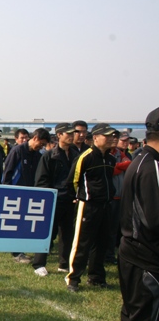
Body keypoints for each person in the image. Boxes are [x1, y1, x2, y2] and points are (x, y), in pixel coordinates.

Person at [106, 107, 159, 321]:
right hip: (147, 258)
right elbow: (154, 220)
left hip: (133, 252)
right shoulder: (152, 166)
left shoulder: (140, 160)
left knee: (131, 319)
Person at [65, 123, 118, 293]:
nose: (111, 138)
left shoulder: (111, 159)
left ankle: (96, 277)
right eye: (107, 135)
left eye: (112, 136)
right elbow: (73, 181)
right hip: (88, 205)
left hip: (105, 205)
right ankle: (73, 279)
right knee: (82, 243)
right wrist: (82, 197)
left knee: (102, 243)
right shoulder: (85, 157)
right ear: (95, 137)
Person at [32, 123, 80, 276]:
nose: (71, 136)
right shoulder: (49, 155)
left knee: (67, 234)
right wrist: (48, 197)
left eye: (73, 133)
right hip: (53, 200)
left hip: (70, 200)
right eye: (68, 133)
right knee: (47, 233)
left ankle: (64, 264)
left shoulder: (75, 155)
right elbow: (41, 180)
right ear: (59, 135)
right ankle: (39, 263)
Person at [2, 127, 50, 265]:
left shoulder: (37, 155)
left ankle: (21, 249)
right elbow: (8, 172)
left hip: (30, 195)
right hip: (15, 193)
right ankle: (16, 253)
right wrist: (6, 191)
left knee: (24, 224)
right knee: (14, 223)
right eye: (41, 143)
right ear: (35, 138)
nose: (41, 147)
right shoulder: (17, 151)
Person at [105, 133, 132, 264]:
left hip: (119, 196)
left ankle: (109, 255)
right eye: (113, 138)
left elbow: (129, 164)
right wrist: (119, 167)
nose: (114, 140)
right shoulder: (103, 154)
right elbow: (110, 170)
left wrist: (118, 166)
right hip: (107, 196)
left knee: (113, 229)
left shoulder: (120, 153)